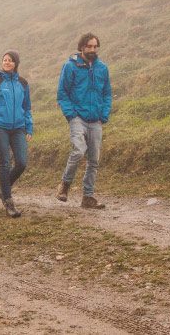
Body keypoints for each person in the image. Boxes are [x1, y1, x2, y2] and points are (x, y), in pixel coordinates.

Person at [56, 33, 112, 209]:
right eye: (89, 46)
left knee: (94, 160)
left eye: (95, 46)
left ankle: (87, 197)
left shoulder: (102, 68)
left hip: (96, 119)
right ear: (82, 47)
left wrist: (104, 114)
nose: (92, 49)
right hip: (77, 117)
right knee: (79, 150)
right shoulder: (70, 67)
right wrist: (71, 114)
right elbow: (62, 93)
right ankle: (65, 185)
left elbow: (107, 93)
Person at [0, 50, 33, 217]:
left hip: (18, 127)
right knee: (5, 163)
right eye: (5, 60)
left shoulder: (23, 84)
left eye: (10, 60)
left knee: (22, 163)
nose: (7, 62)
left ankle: (3, 189)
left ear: (16, 63)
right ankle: (8, 201)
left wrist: (29, 127)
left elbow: (27, 107)